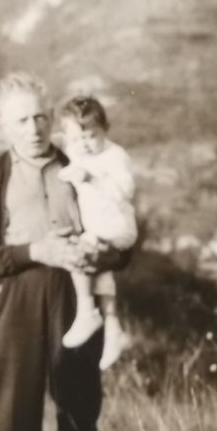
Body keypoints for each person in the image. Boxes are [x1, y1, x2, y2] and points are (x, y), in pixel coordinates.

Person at [0, 72, 127, 431]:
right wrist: (36, 251)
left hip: (76, 296)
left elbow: (122, 232)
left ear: (52, 117)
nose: (32, 129)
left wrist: (102, 256)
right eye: (20, 121)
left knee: (78, 398)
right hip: (15, 297)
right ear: (3, 124)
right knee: (14, 409)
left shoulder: (82, 165)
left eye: (39, 117)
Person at [57, 95, 138, 370]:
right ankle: (113, 328)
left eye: (91, 137)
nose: (84, 145)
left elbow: (125, 191)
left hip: (116, 227)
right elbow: (64, 149)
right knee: (101, 271)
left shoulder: (114, 156)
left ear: (105, 129)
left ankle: (86, 310)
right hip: (99, 227)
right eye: (77, 139)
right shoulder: (76, 151)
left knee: (80, 254)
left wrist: (92, 178)